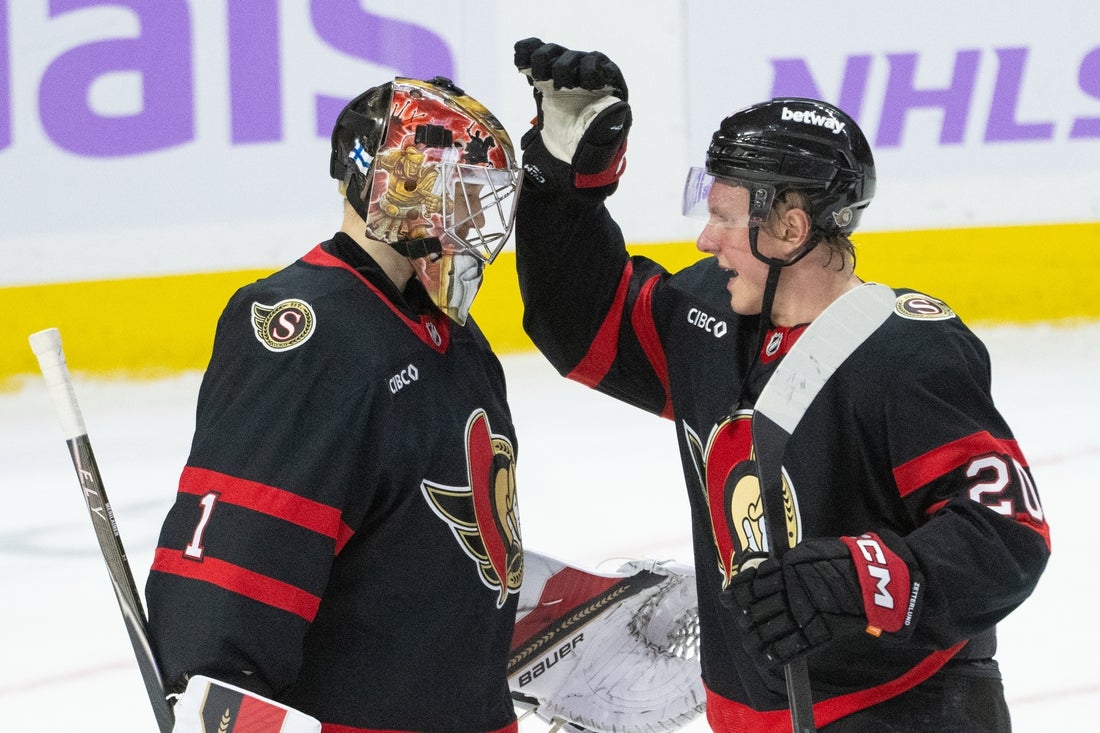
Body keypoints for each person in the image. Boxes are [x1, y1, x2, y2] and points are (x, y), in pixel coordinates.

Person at [510, 38, 1051, 732]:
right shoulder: (711, 316)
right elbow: (584, 321)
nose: (705, 239)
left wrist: (858, 578)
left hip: (904, 710)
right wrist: (562, 182)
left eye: (725, 217)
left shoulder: (907, 353)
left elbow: (1008, 533)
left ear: (790, 227)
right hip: (754, 715)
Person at [145, 75, 525, 733]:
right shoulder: (314, 335)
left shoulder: (452, 334)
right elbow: (231, 580)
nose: (475, 222)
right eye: (461, 194)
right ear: (394, 186)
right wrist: (220, 702)